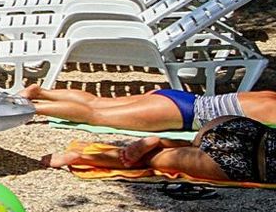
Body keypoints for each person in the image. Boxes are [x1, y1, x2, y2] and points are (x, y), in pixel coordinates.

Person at [44, 114, 274, 184]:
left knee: (194, 148)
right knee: (150, 160)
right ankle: (80, 158)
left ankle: (164, 141)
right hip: (250, 165)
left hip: (246, 130)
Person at [25, 83, 276, 133]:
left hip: (179, 98)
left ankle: (41, 92)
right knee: (96, 116)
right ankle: (34, 107)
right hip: (182, 114)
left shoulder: (269, 97)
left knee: (98, 102)